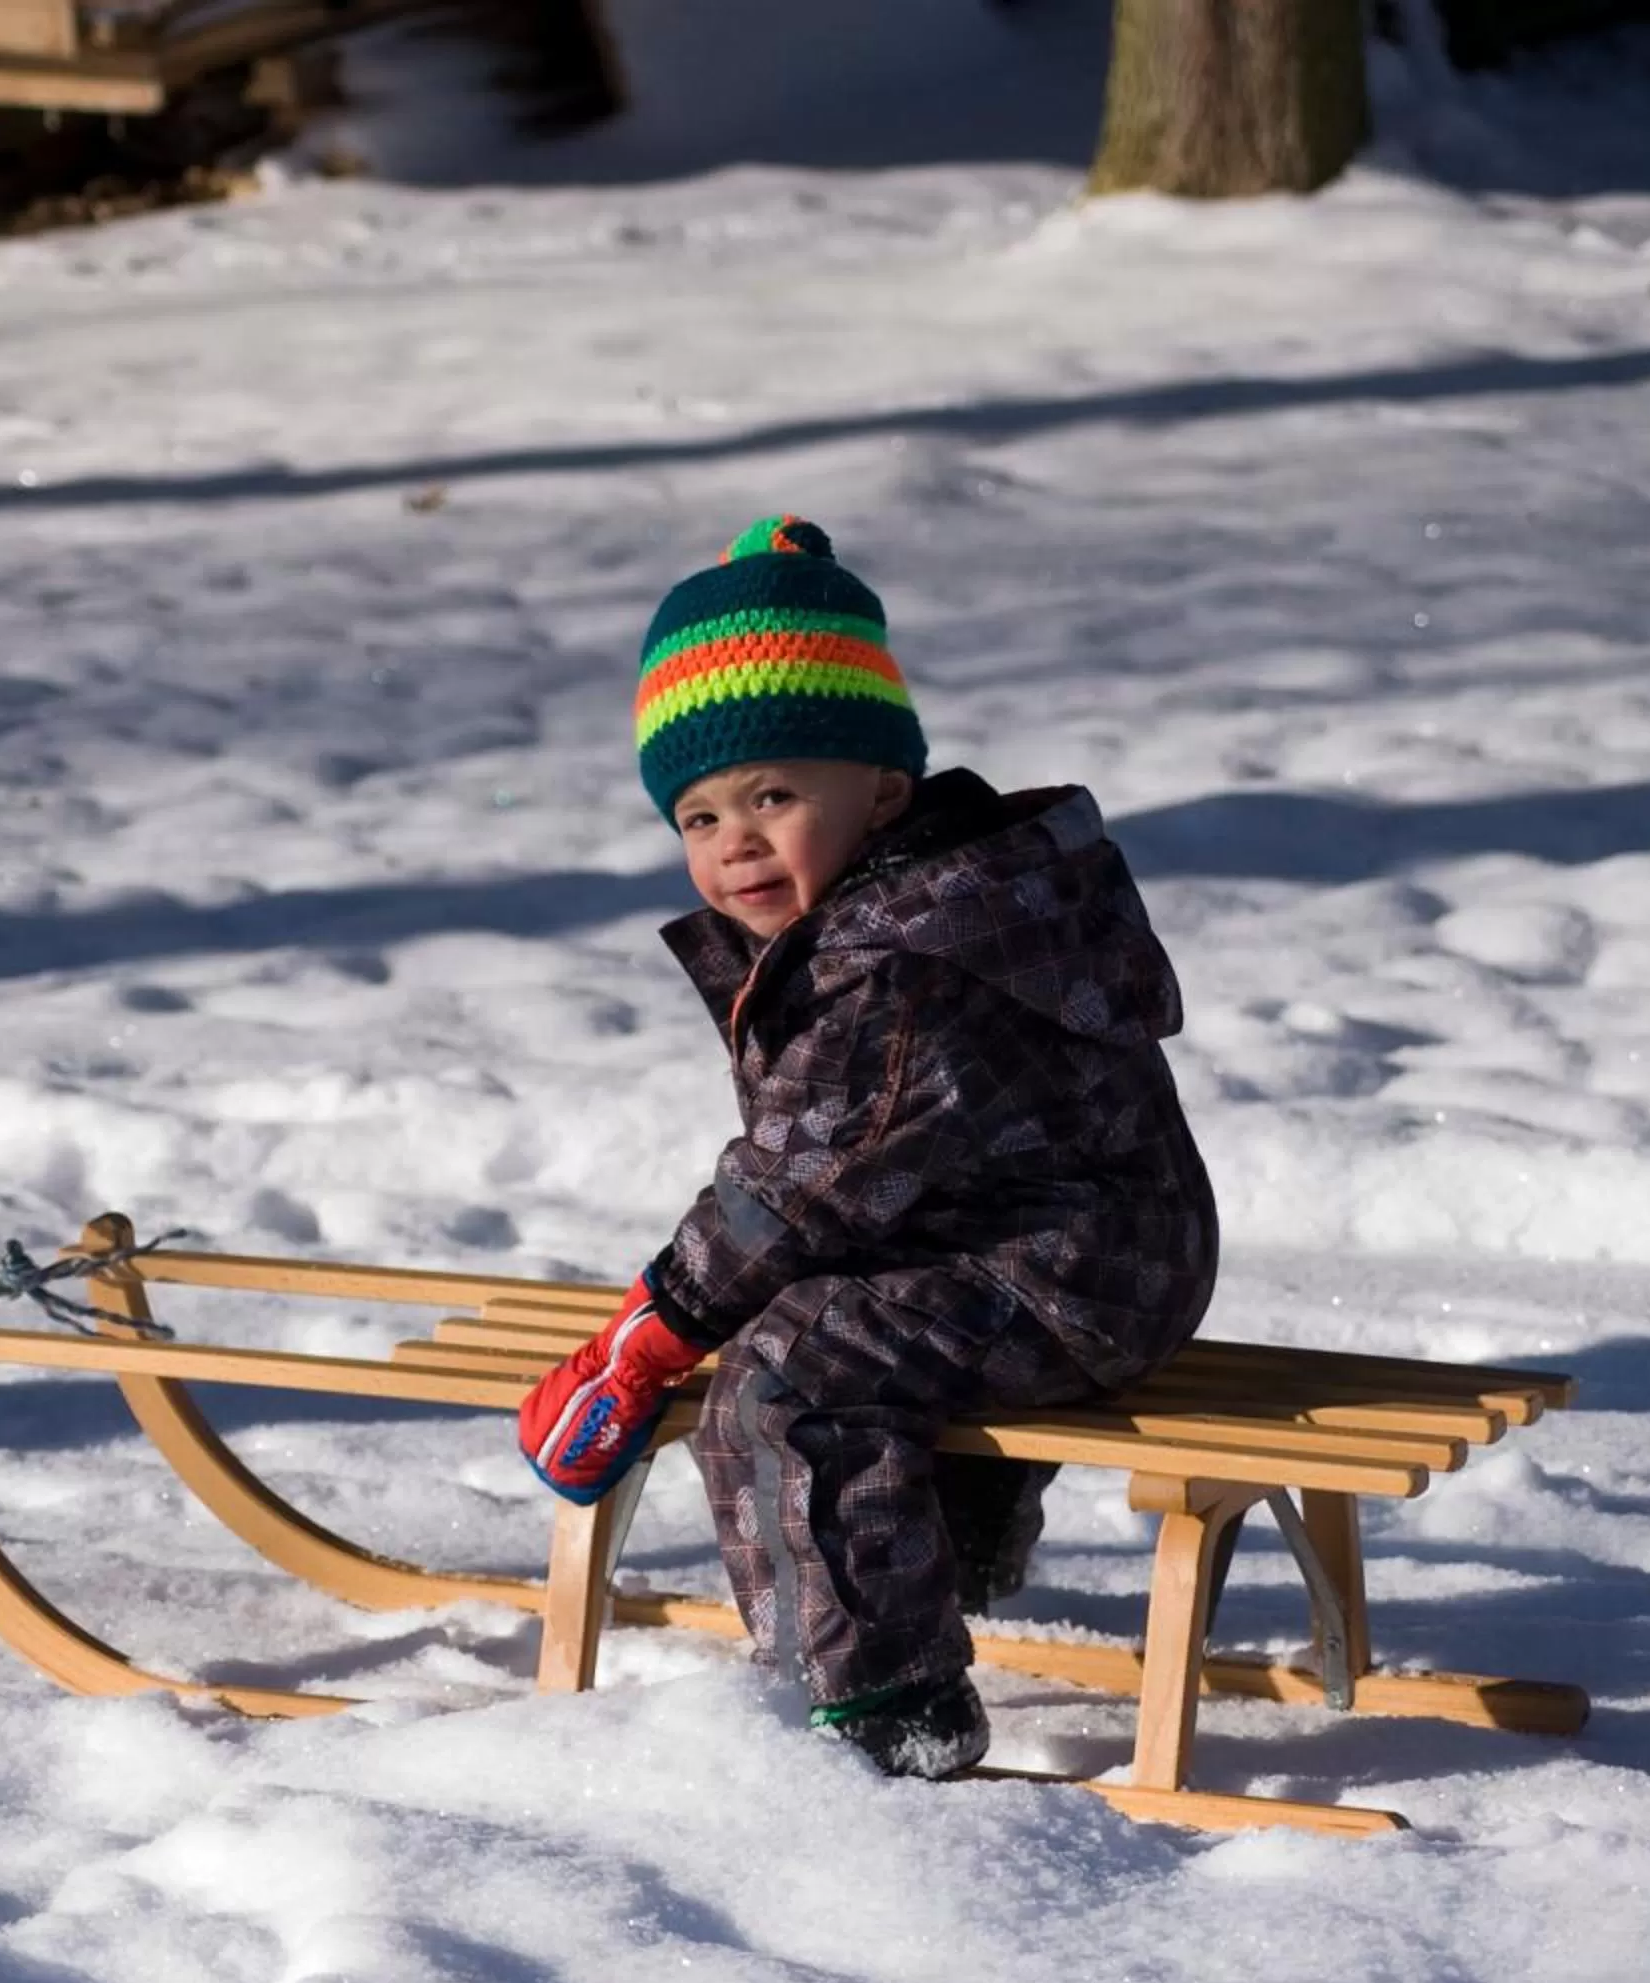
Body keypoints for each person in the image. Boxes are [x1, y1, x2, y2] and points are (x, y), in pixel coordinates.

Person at [517, 515, 1219, 1778]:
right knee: (816, 1310)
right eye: (699, 813)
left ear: (882, 790)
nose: (734, 840)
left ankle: (877, 1701)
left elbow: (797, 1187)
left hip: (1072, 1267)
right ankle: (943, 1534)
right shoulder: (890, 915)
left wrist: (645, 1336)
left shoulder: (908, 959)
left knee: (791, 1372)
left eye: (775, 795)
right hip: (1049, 1238)